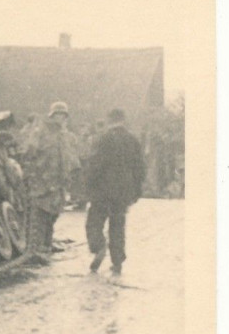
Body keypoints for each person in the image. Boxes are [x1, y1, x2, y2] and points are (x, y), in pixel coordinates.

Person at [85, 108, 145, 275]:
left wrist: (88, 185)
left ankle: (99, 246)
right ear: (123, 120)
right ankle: (117, 261)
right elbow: (140, 167)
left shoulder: (103, 139)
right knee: (118, 225)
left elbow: (95, 164)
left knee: (94, 221)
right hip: (124, 191)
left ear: (109, 120)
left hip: (102, 190)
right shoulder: (133, 140)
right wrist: (136, 190)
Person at [20, 101, 82, 264]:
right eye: (58, 115)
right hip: (42, 180)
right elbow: (29, 152)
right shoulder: (41, 131)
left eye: (63, 115)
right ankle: (35, 248)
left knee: (53, 213)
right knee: (39, 214)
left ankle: (46, 245)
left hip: (58, 181)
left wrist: (69, 173)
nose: (60, 118)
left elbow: (69, 157)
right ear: (52, 115)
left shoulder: (64, 135)